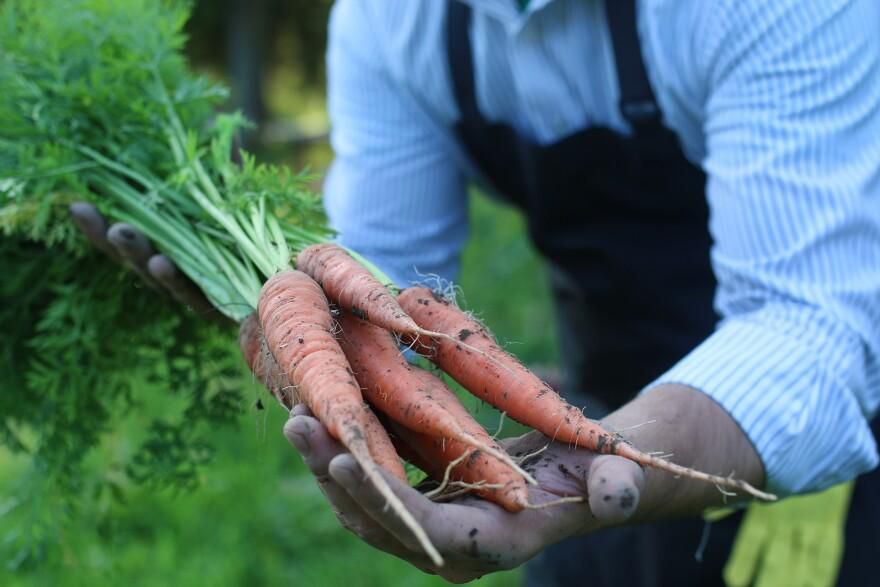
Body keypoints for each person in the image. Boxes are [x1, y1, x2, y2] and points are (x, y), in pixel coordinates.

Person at [73, 0, 880, 584]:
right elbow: (378, 277)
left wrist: (595, 462)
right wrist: (275, 310)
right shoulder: (390, 22)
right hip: (591, 421)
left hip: (828, 425)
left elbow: (808, 324)